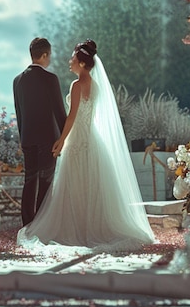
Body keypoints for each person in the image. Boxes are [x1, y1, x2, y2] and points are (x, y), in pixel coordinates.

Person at [17, 39, 156, 252]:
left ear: (82, 63)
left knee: (71, 187)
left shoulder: (74, 85)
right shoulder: (97, 86)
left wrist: (62, 139)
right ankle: (94, 227)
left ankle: (68, 228)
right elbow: (80, 115)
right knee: (93, 186)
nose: (68, 62)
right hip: (92, 139)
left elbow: (72, 117)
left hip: (74, 141)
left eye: (72, 59)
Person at [13, 37, 67, 226]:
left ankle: (27, 224)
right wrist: (66, 137)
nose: (50, 59)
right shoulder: (50, 79)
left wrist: (22, 138)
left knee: (30, 180)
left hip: (27, 138)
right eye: (49, 56)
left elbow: (19, 114)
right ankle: (42, 224)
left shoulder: (17, 80)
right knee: (46, 181)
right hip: (48, 139)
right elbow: (59, 112)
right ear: (44, 55)